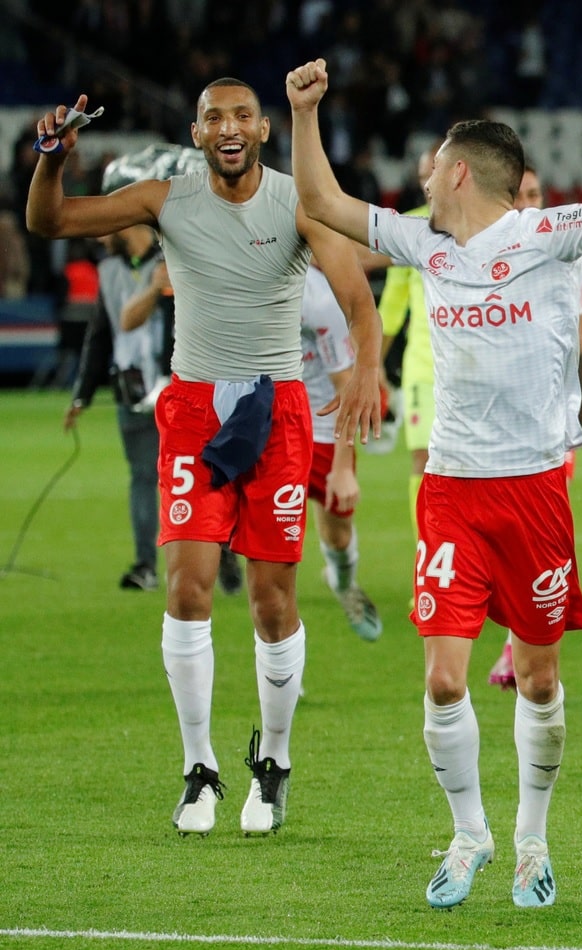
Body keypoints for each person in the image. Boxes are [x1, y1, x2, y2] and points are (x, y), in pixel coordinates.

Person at [287, 51, 582, 908]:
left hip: (534, 489)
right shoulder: (426, 243)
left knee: (536, 678)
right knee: (445, 679)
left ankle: (532, 838)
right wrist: (305, 115)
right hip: (451, 488)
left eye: (431, 167)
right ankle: (470, 834)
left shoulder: (546, 233)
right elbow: (322, 204)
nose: (422, 179)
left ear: (458, 171)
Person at [26, 81, 385, 838]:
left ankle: (275, 761)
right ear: (196, 132)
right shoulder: (165, 198)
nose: (229, 126)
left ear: (261, 128)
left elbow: (356, 296)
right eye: (213, 116)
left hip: (277, 409)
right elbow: (49, 219)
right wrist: (52, 160)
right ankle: (199, 769)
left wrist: (370, 363)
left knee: (270, 601)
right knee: (187, 591)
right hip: (192, 409)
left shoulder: (298, 201)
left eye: (241, 115)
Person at [488, 161, 582, 691]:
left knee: (534, 536)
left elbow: (580, 332)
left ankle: (517, 648)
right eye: (520, 195)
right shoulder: (483, 253)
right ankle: (514, 637)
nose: (528, 204)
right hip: (492, 427)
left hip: (551, 421)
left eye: (535, 194)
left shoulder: (563, 248)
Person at [65, 211, 168, 590]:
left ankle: (217, 551)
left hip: (181, 389)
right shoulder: (108, 271)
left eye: (105, 229)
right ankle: (145, 565)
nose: (100, 238)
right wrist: (83, 395)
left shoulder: (176, 258)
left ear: (127, 225)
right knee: (142, 477)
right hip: (131, 389)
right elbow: (101, 334)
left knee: (204, 476)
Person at [299, 264, 382, 641]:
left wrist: (342, 466)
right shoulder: (244, 282)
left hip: (320, 426)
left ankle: (344, 582)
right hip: (266, 425)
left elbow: (344, 386)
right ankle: (276, 664)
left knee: (338, 536)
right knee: (271, 552)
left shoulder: (317, 298)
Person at [377, 146, 437, 535]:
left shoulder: (483, 226)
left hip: (475, 369)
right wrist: (374, 365)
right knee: (424, 460)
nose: (427, 183)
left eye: (434, 172)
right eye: (422, 176)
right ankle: (429, 559)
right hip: (423, 370)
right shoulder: (409, 229)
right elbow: (393, 307)